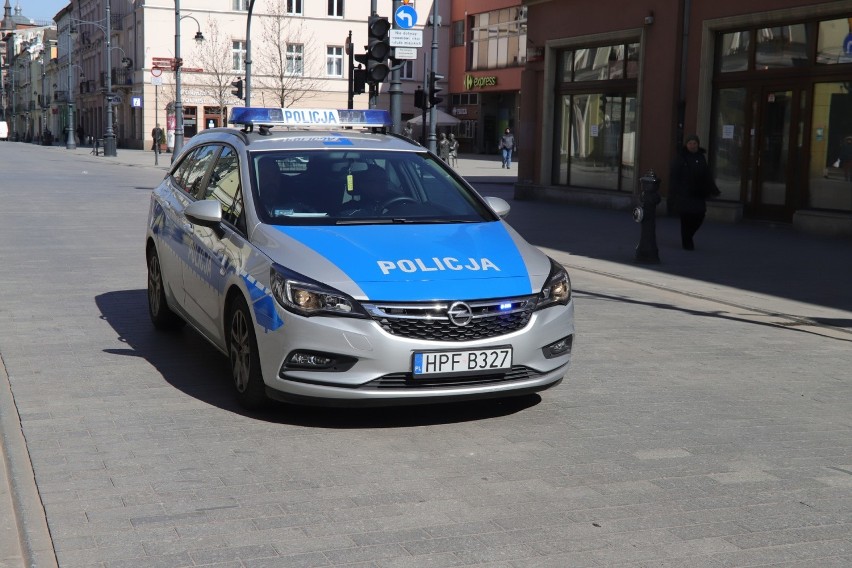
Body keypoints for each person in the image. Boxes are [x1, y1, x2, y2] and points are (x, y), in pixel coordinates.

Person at [669, 134, 720, 251]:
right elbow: (674, 176)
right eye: (690, 143)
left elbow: (707, 175)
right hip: (684, 193)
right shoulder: (680, 157)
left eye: (694, 143)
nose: (692, 145)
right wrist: (674, 192)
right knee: (686, 218)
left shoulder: (701, 157)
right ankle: (687, 241)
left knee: (700, 216)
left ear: (698, 144)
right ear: (686, 145)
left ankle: (688, 236)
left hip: (698, 192)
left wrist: (713, 189)